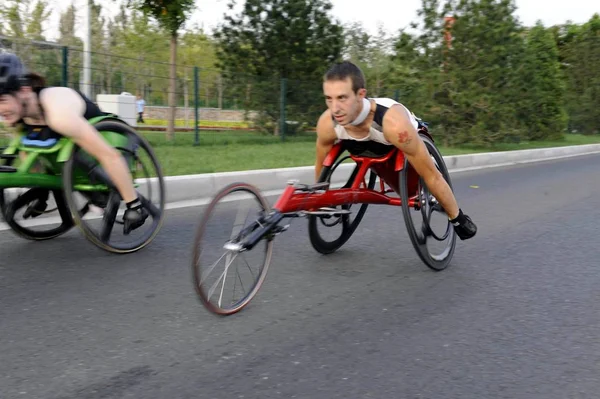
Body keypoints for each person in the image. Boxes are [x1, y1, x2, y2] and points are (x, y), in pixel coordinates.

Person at [315, 61, 477, 240]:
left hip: (399, 143)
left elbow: (432, 176)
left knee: (411, 188)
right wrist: (320, 199)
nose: (335, 108)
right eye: (329, 98)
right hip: (363, 145)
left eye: (342, 98)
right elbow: (321, 165)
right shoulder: (327, 123)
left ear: (361, 94)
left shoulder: (395, 125)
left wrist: (457, 219)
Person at [0, 52, 148, 235]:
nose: (0, 110)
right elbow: (27, 151)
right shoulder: (21, 114)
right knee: (23, 141)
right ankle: (41, 193)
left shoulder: (59, 115)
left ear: (24, 90)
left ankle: (137, 206)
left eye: (2, 100)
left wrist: (133, 205)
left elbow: (109, 155)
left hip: (108, 139)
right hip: (65, 150)